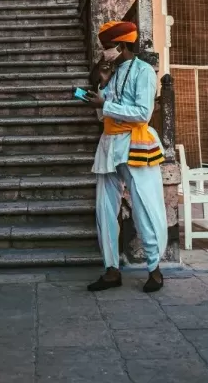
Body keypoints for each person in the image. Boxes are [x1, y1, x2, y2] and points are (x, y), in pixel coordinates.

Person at [83, 21, 167, 294]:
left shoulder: (144, 71)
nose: (105, 52)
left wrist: (105, 104)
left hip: (135, 144)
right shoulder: (116, 71)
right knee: (105, 209)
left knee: (145, 207)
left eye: (107, 47)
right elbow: (107, 106)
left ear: (122, 45)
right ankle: (111, 269)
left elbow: (143, 113)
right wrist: (101, 91)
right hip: (109, 145)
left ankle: (154, 269)